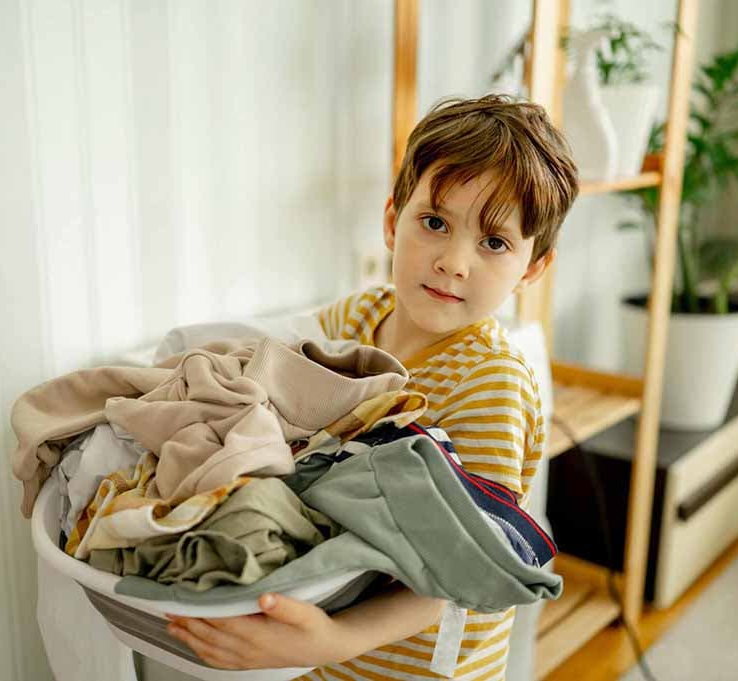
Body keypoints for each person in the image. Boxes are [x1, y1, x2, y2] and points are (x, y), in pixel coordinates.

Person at [163, 94, 579, 681]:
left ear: (533, 267)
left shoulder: (491, 383)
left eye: (494, 243)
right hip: (327, 638)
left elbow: (464, 564)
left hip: (415, 667)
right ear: (392, 222)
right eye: (434, 224)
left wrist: (330, 640)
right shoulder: (355, 321)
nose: (454, 262)